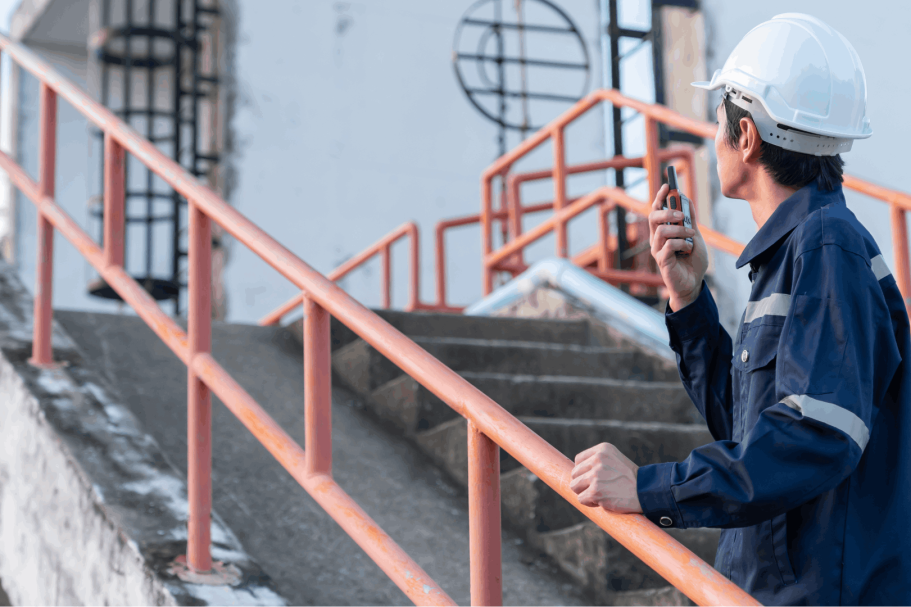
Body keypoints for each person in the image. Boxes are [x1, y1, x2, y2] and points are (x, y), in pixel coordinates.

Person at [568, 13, 911, 606]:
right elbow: (748, 429)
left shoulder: (825, 245)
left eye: (718, 120)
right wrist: (689, 298)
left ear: (746, 136)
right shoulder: (800, 251)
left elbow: (814, 436)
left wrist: (651, 488)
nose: (713, 137)